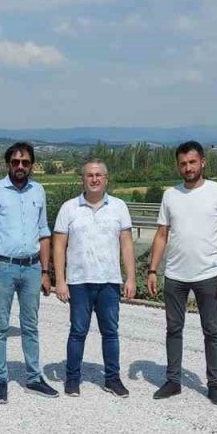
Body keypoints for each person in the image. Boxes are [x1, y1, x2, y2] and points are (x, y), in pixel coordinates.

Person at [144, 141, 217, 405]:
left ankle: (214, 384)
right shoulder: (170, 195)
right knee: (173, 329)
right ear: (178, 165)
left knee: (211, 331)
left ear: (203, 162)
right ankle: (173, 380)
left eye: (192, 162)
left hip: (208, 274)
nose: (188, 168)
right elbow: (161, 235)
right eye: (183, 163)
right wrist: (153, 270)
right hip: (175, 275)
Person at [0, 141, 57, 403]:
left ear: (32, 165)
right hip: (2, 267)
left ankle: (34, 376)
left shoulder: (39, 191)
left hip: (32, 268)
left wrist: (46, 272)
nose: (20, 166)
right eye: (15, 162)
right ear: (7, 164)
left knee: (30, 326)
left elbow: (44, 233)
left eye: (25, 162)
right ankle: (0, 380)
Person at [52, 160, 135, 397]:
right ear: (83, 179)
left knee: (110, 332)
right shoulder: (69, 208)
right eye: (90, 175)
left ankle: (112, 379)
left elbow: (126, 245)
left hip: (109, 280)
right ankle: (72, 378)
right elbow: (59, 246)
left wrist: (130, 278)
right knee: (78, 331)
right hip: (78, 281)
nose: (95, 179)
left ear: (106, 179)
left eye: (99, 175)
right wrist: (60, 280)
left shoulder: (119, 207)